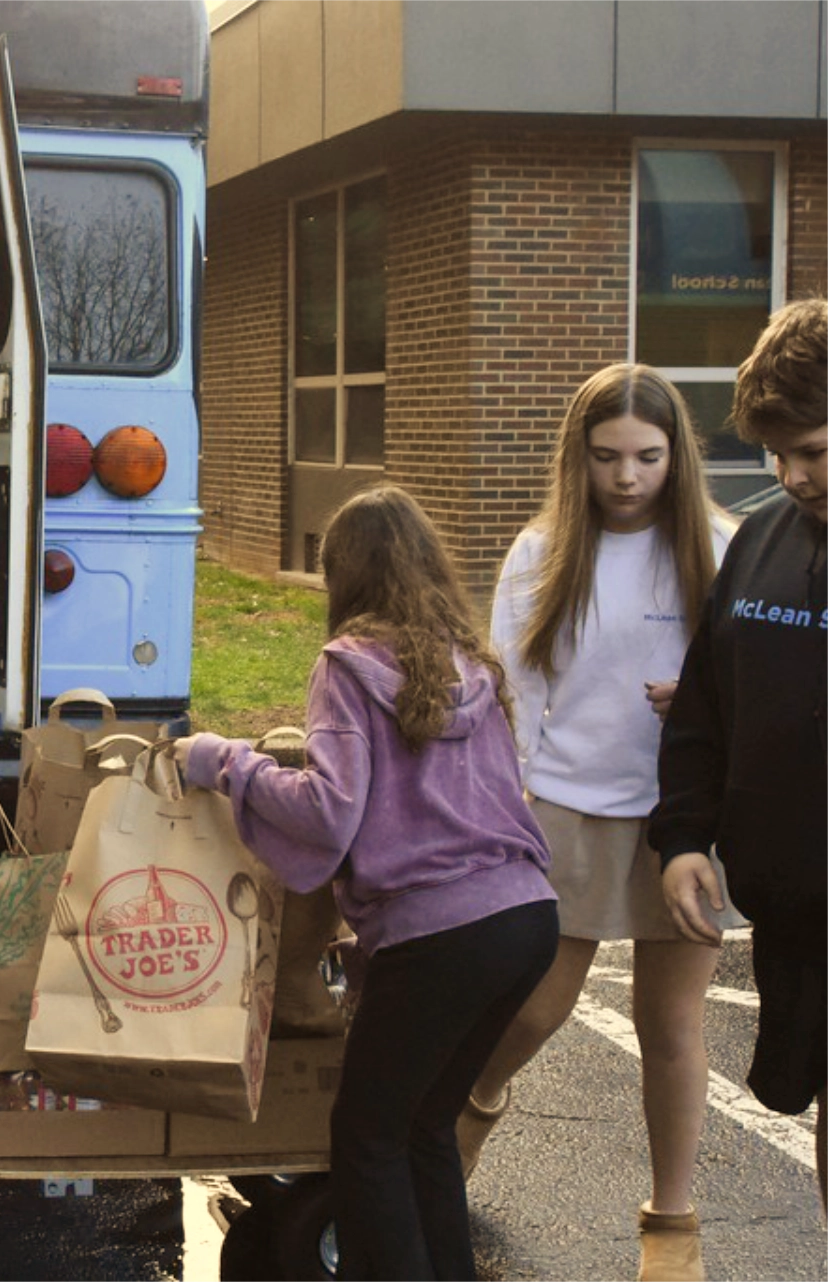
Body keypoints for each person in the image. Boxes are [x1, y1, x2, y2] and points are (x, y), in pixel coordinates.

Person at [173, 486, 559, 1282]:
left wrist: (224, 760)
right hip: (525, 916)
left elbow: (327, 811)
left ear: (341, 574)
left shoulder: (347, 665)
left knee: (367, 1138)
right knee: (425, 1127)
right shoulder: (470, 663)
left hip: (440, 931)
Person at [464, 364, 737, 1280]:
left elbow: (759, 682)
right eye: (607, 456)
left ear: (677, 455)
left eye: (647, 457)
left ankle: (672, 1221)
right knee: (536, 1006)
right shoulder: (543, 550)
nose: (627, 477)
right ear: (576, 457)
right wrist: (508, 804)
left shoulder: (721, 544)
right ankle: (471, 1109)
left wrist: (702, 698)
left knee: (674, 1026)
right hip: (566, 809)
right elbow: (510, 689)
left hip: (685, 819)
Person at [652, 297, 828, 1233]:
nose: (792, 476)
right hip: (797, 917)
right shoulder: (760, 542)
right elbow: (705, 709)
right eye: (777, 455)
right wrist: (684, 837)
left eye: (815, 452)